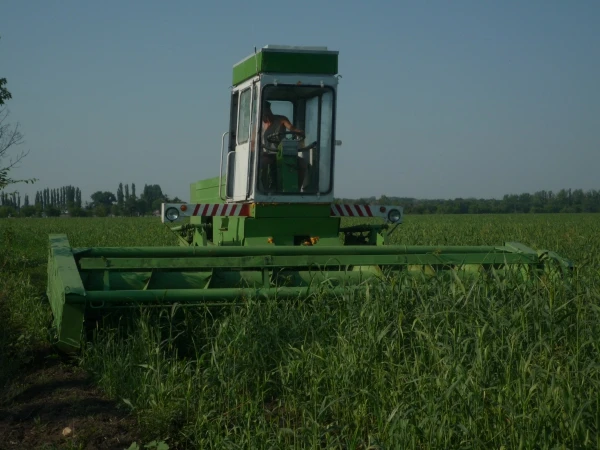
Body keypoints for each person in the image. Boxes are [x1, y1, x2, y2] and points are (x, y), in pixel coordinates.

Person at [257, 102, 309, 191]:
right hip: (268, 154)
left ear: (269, 110)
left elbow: (291, 128)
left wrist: (299, 132)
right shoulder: (258, 125)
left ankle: (296, 190)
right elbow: (253, 143)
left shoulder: (281, 120)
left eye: (265, 112)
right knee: (261, 163)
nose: (264, 116)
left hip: (284, 153)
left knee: (302, 163)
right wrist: (260, 152)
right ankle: (264, 190)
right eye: (261, 113)